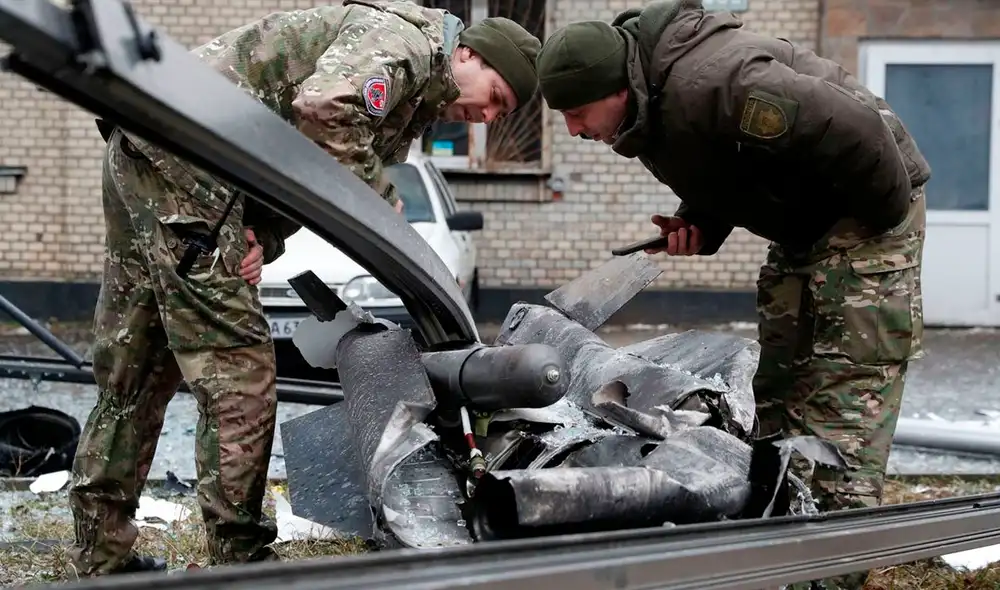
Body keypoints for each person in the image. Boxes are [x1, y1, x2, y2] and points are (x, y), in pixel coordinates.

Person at [69, 0, 540, 576]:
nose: (489, 116)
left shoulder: (412, 92)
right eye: (495, 96)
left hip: (154, 149)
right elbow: (324, 108)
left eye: (502, 112)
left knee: (136, 369)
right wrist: (378, 199)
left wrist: (262, 234)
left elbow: (304, 168)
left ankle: (102, 555)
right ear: (468, 53)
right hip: (187, 164)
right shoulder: (408, 45)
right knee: (240, 374)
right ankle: (241, 560)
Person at [535, 1, 928, 587]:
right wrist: (705, 220)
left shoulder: (721, 82)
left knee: (843, 388)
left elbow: (859, 131)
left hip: (865, 212)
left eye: (577, 112)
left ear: (617, 86)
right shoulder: (646, 112)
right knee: (782, 390)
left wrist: (873, 234)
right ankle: (775, 548)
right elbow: (735, 165)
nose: (574, 129)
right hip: (806, 226)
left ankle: (830, 569)